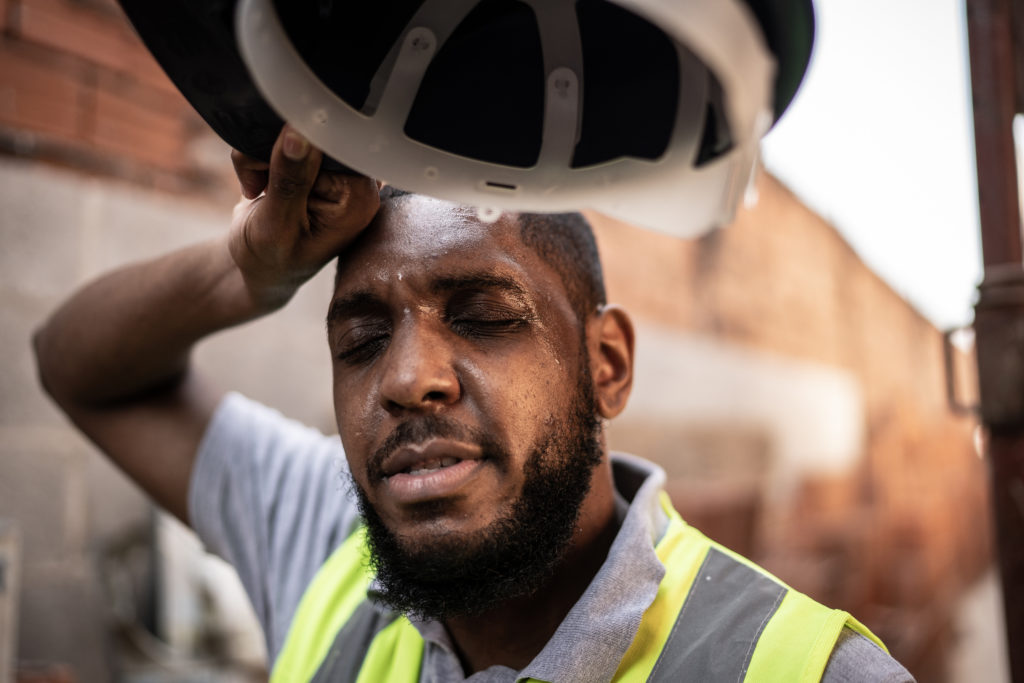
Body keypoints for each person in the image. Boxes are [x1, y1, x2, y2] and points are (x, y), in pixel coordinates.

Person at [33, 125, 914, 682]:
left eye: (486, 317)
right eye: (361, 339)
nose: (408, 379)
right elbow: (73, 364)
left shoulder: (806, 670)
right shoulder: (326, 546)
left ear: (605, 364)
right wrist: (249, 271)